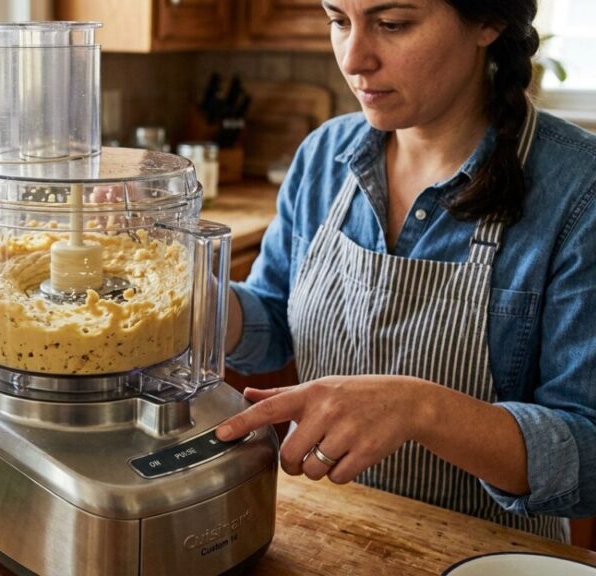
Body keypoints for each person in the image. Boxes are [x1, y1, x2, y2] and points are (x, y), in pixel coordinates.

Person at [215, 0, 596, 542]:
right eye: (338, 21)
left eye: (392, 25)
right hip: (319, 535)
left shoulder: (579, 191)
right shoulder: (325, 154)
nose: (353, 58)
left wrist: (420, 408)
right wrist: (187, 289)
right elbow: (273, 324)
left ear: (488, 22)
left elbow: (587, 457)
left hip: (486, 555)